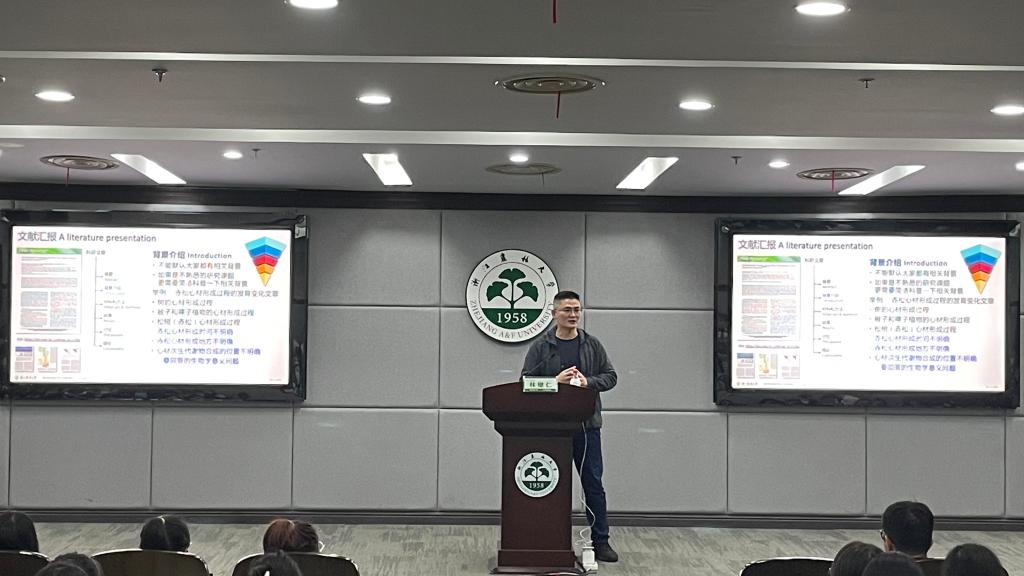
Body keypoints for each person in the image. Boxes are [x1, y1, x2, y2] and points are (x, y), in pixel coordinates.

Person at [521, 290, 618, 563]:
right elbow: (526, 382)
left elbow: (611, 377)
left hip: (587, 427)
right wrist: (555, 382)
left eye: (577, 310)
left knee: (593, 484)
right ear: (554, 314)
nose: (573, 315)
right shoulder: (541, 347)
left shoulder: (592, 344)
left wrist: (587, 382)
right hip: (551, 430)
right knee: (553, 485)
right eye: (567, 310)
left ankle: (601, 541)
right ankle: (550, 539)